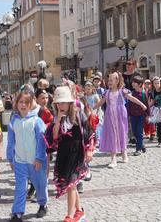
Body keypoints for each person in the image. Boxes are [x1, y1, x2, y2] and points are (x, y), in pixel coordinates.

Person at [45, 86, 94, 222]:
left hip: (76, 153)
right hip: (64, 154)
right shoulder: (56, 117)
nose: (60, 105)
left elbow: (89, 132)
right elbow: (54, 137)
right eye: (58, 103)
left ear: (69, 102)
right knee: (70, 184)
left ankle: (70, 216)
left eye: (63, 102)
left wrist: (89, 150)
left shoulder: (79, 114)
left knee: (71, 184)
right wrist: (58, 120)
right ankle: (79, 211)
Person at [7, 88, 48, 222]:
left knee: (40, 185)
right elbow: (11, 141)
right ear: (16, 104)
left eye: (26, 102)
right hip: (20, 161)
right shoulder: (13, 121)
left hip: (36, 161)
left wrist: (39, 158)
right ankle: (17, 212)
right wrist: (10, 158)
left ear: (31, 104)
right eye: (21, 102)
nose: (23, 105)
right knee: (20, 187)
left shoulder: (37, 121)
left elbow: (42, 141)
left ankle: (43, 204)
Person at [98, 72, 147, 168]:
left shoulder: (122, 91)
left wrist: (141, 104)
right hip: (110, 116)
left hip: (120, 115)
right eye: (109, 80)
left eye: (111, 80)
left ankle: (124, 152)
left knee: (122, 133)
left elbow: (132, 98)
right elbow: (101, 102)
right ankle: (113, 158)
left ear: (117, 81)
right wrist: (91, 109)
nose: (109, 82)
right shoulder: (107, 92)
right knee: (112, 135)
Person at [128, 76, 149, 156]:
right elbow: (129, 105)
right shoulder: (132, 93)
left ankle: (138, 149)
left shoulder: (143, 94)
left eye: (134, 82)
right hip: (133, 116)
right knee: (134, 132)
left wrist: (148, 115)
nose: (132, 83)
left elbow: (147, 105)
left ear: (140, 84)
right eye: (132, 82)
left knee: (139, 132)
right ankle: (142, 145)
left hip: (141, 116)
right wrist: (129, 114)